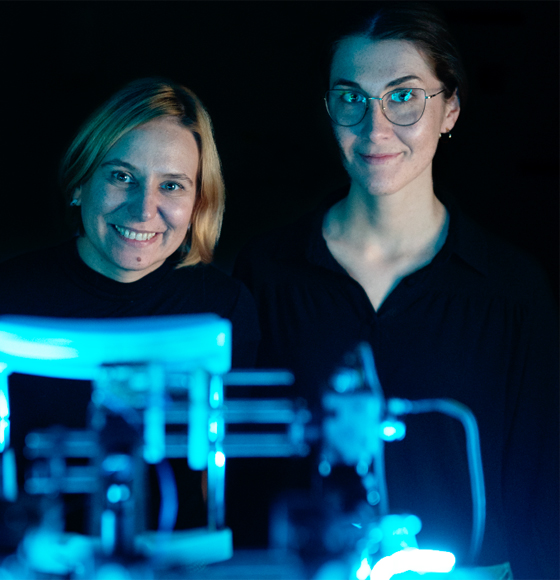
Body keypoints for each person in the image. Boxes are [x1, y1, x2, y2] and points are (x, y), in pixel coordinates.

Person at [233, 4, 558, 578]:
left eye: (404, 96)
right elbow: (240, 475)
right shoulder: (266, 275)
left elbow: (541, 492)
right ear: (329, 108)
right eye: (351, 98)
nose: (375, 127)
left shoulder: (511, 291)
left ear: (450, 109)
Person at [0, 77, 260, 533]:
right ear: (81, 182)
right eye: (122, 176)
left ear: (198, 204)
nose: (144, 209)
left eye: (172, 186)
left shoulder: (224, 308)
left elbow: (233, 479)